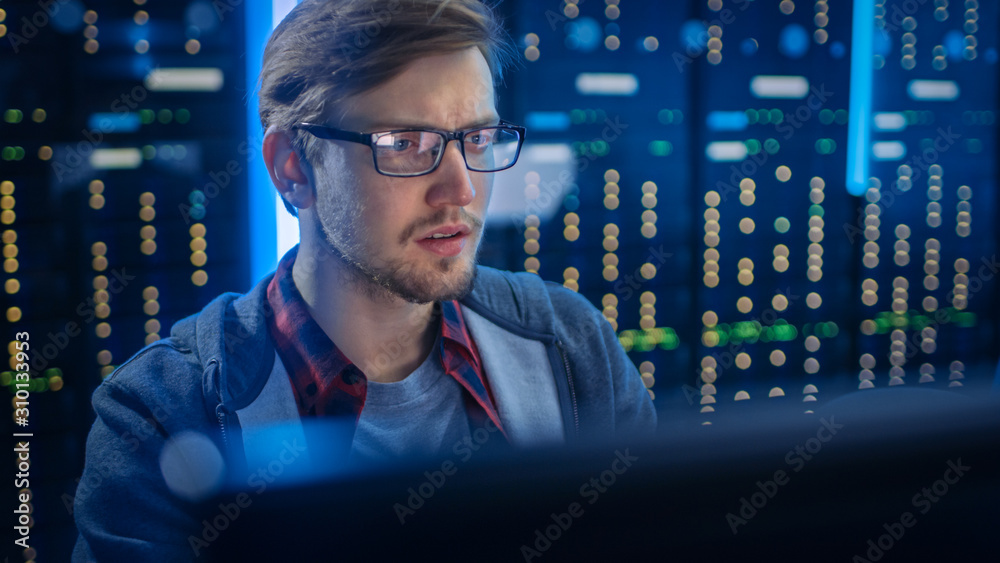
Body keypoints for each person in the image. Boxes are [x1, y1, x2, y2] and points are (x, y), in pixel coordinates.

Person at [72, 0, 655, 560]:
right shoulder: (157, 416)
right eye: (404, 144)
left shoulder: (572, 345)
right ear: (293, 169)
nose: (462, 189)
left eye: (476, 139)